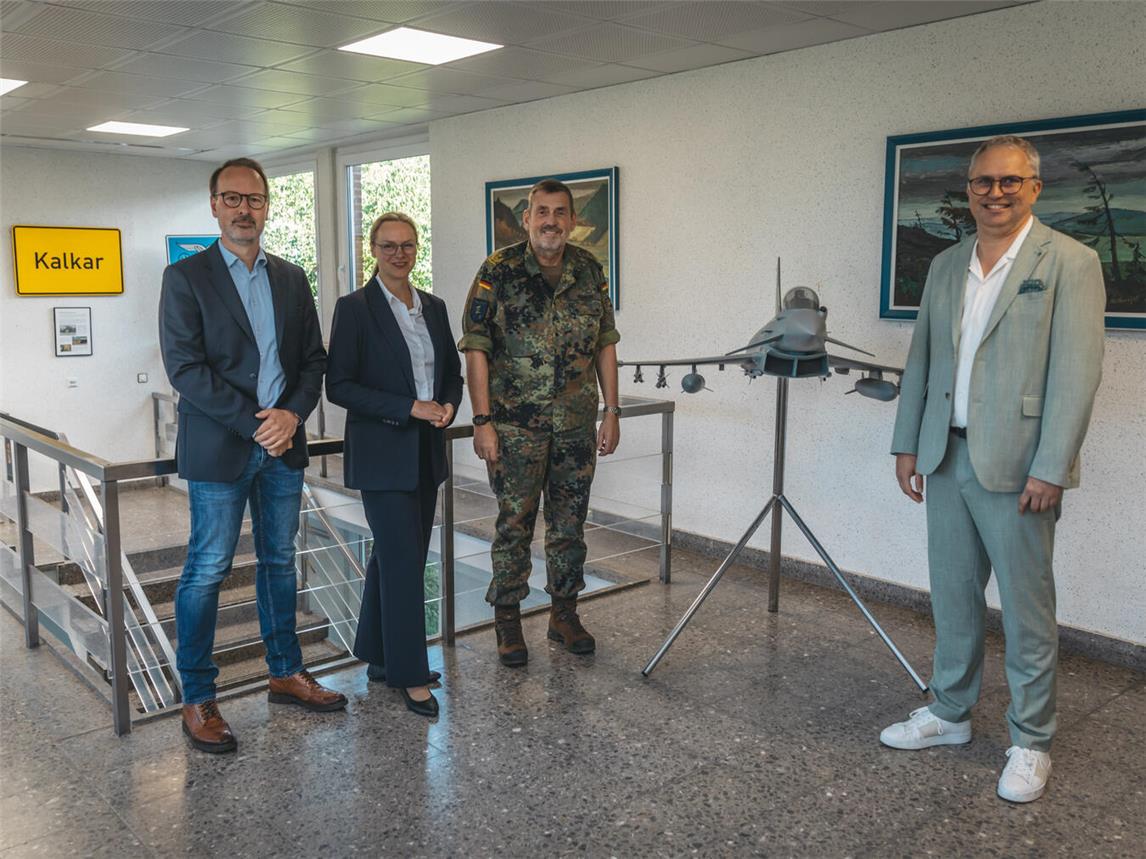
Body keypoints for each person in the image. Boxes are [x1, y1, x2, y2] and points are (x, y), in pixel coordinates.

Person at [883, 136, 1105, 803]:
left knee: (1026, 609)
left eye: (1010, 181)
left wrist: (1053, 465)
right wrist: (906, 442)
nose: (996, 192)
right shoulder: (948, 265)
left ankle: (1031, 739)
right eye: (983, 181)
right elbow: (923, 358)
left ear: (1035, 187)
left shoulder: (1070, 261)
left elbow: (1077, 372)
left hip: (1020, 465)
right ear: (969, 188)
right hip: (945, 454)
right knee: (951, 596)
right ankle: (950, 713)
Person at [159, 157, 347, 754]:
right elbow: (185, 369)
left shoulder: (292, 278)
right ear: (214, 205)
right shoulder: (186, 277)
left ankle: (285, 673)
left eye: (256, 199)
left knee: (279, 563)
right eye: (233, 198)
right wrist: (256, 425)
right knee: (208, 570)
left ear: (268, 206)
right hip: (222, 448)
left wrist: (291, 416)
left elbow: (314, 359)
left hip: (284, 447)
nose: (245, 209)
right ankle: (197, 698)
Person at [458, 178, 621, 667]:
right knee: (514, 525)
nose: (551, 221)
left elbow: (606, 343)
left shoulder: (590, 271)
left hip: (574, 426)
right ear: (527, 218)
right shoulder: (498, 271)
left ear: (571, 221)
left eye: (560, 213)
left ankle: (563, 614)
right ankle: (508, 620)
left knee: (570, 525)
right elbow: (476, 347)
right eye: (541, 212)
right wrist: (481, 421)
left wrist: (611, 412)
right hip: (513, 429)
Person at [326, 212, 462, 717]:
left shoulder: (434, 307)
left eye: (407, 245)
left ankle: (380, 655)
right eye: (388, 246)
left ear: (417, 248)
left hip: (426, 451)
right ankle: (410, 674)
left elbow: (450, 371)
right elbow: (338, 386)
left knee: (392, 556)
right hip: (382, 455)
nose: (398, 254)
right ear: (373, 250)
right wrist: (408, 407)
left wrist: (448, 404)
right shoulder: (354, 308)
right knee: (406, 562)